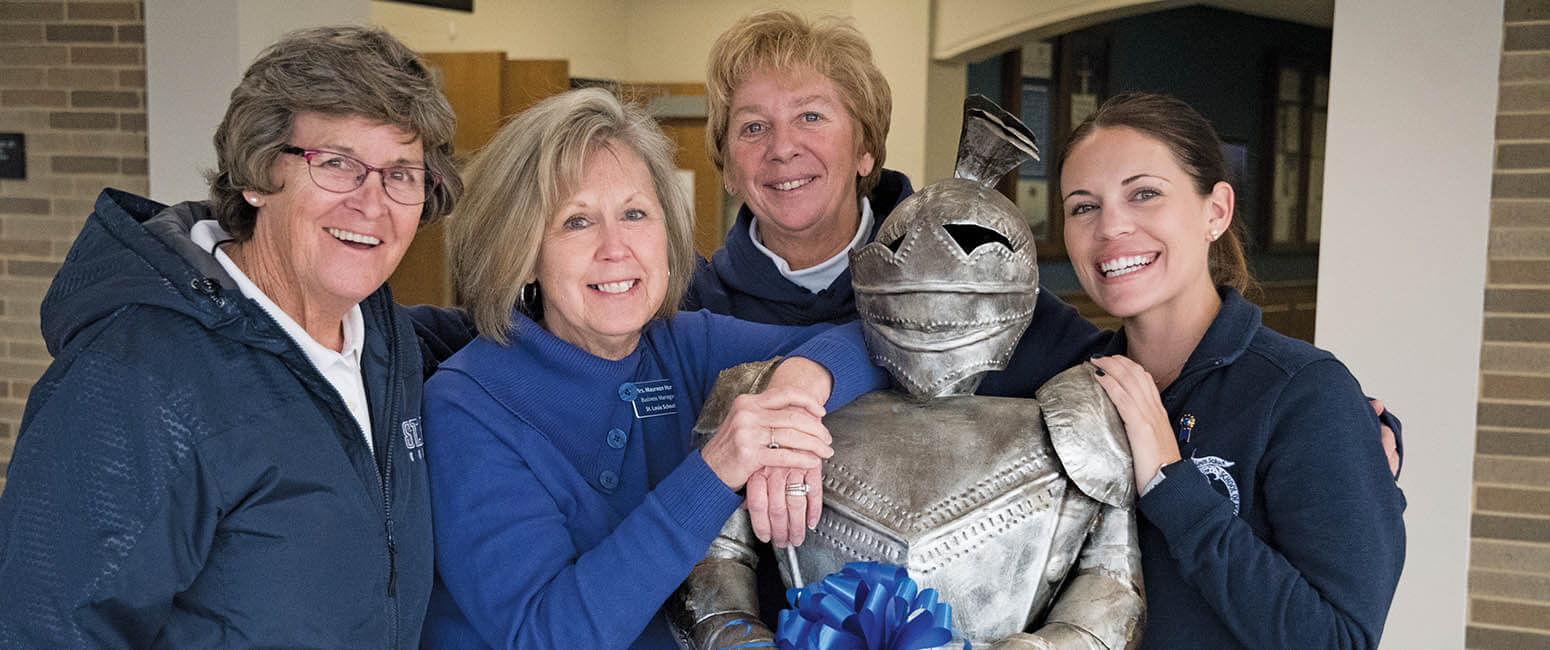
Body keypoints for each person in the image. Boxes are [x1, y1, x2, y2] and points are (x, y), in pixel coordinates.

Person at [0, 25, 459, 647]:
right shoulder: (138, 381)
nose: (372, 203)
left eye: (401, 173)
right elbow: (46, 629)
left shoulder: (385, 342)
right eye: (337, 164)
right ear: (258, 173)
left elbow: (508, 340)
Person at [419, 88, 887, 650]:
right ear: (522, 252)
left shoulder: (683, 345)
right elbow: (548, 634)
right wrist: (715, 470)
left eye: (635, 214)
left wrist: (796, 383)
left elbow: (878, 342)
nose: (616, 248)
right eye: (576, 221)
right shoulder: (466, 405)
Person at [1064, 93, 1405, 648]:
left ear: (1216, 211)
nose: (1110, 228)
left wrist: (1171, 484)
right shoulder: (1073, 376)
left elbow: (1338, 640)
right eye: (1083, 207)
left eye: (1144, 194)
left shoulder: (1305, 394)